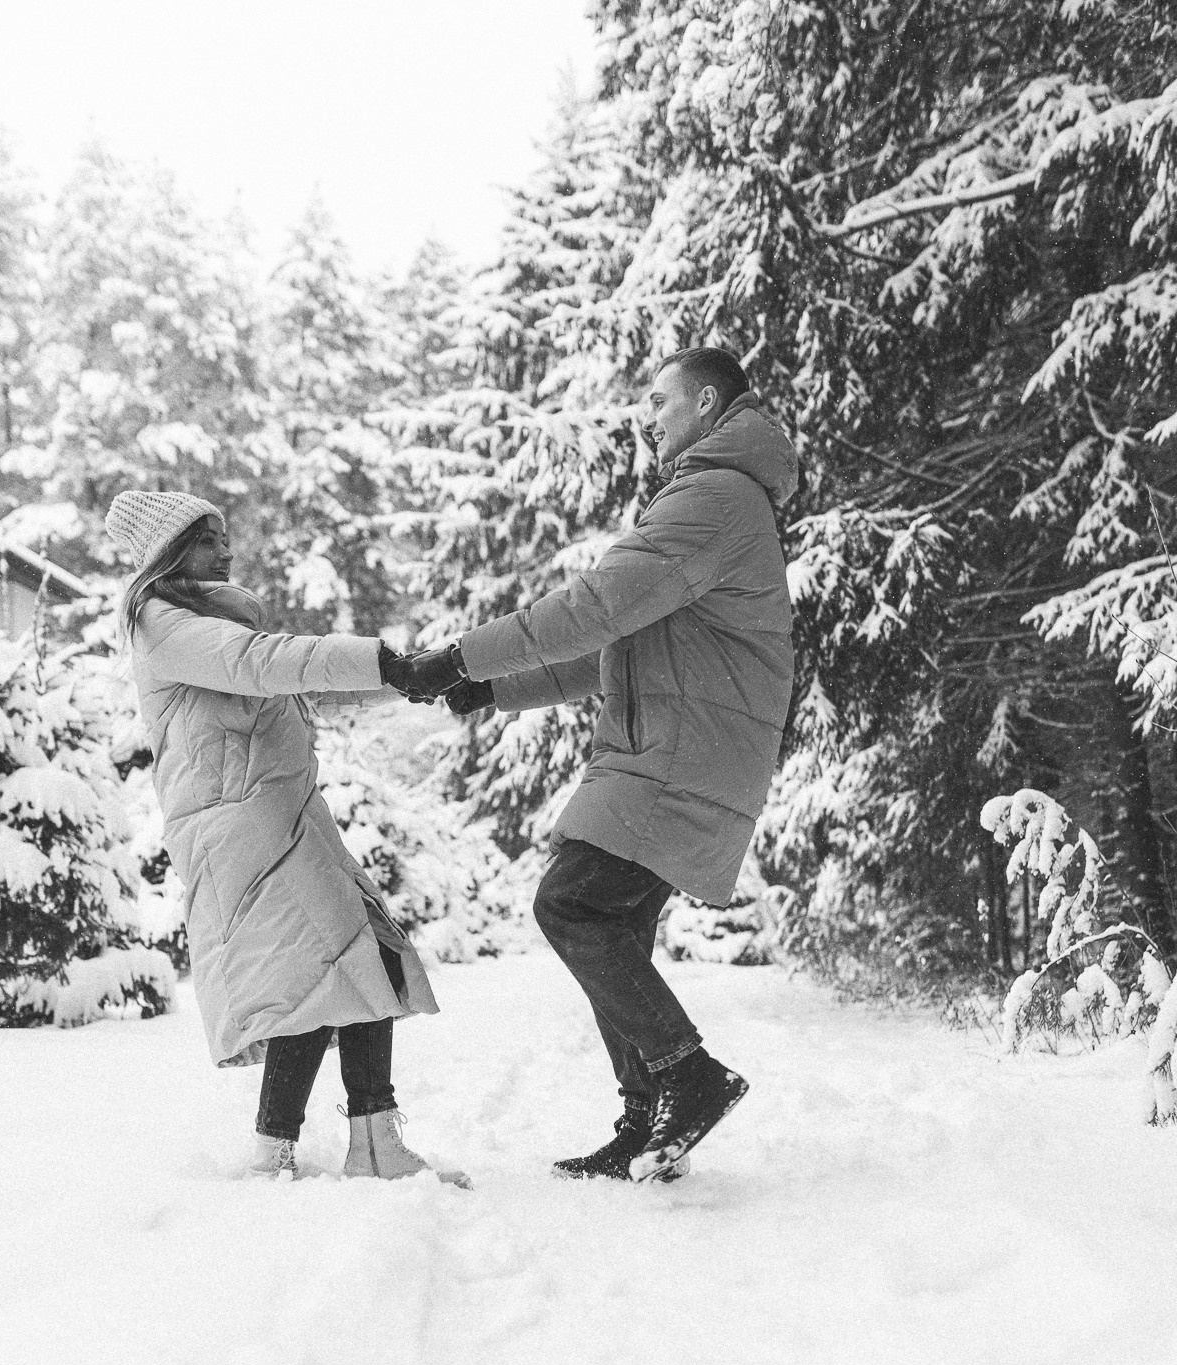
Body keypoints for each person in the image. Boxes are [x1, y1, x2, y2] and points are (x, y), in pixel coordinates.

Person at [389, 347, 797, 1183]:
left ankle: (689, 1075)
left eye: (659, 400)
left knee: (573, 905)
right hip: (676, 746)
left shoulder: (715, 497)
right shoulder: (711, 495)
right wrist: (495, 691)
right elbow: (619, 642)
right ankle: (648, 1121)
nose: (646, 416)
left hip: (682, 750)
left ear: (706, 401)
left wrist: (461, 656)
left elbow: (596, 607)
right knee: (614, 925)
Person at [108, 488, 467, 1186]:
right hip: (242, 826)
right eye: (210, 537)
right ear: (173, 550)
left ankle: (288, 1147)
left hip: (275, 815)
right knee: (345, 955)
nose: (227, 548)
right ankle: (362, 1144)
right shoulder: (164, 622)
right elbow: (259, 661)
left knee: (325, 967)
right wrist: (385, 664)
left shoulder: (193, 622)